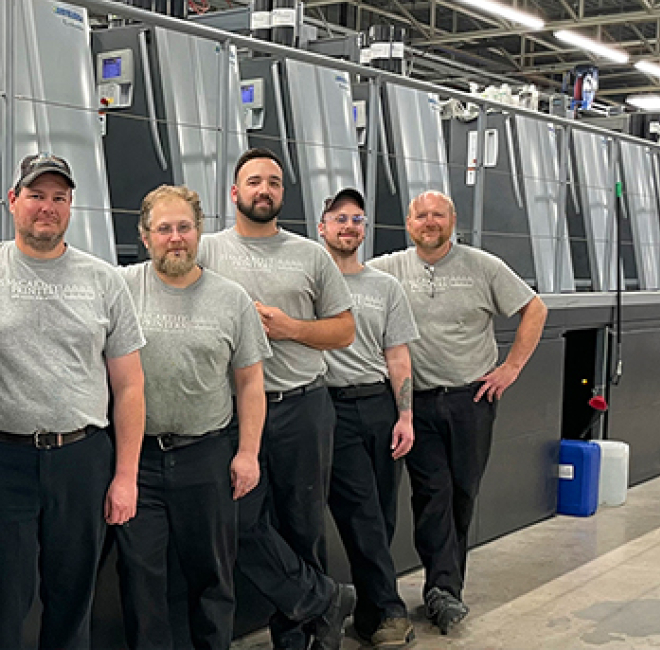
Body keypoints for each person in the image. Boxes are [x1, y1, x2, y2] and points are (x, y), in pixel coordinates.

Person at [0, 153, 146, 650]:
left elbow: (129, 386)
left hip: (81, 459)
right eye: (36, 195)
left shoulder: (105, 280)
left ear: (71, 207)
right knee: (0, 603)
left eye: (59, 198)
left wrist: (125, 476)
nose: (48, 207)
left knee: (72, 599)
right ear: (12, 201)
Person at [368, 190, 548, 634]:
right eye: (421, 215)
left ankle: (445, 583)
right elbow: (343, 278)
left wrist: (511, 368)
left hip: (474, 400)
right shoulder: (388, 268)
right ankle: (442, 591)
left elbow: (534, 308)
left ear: (453, 222)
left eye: (438, 215)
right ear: (408, 224)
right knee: (434, 494)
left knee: (463, 492)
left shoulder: (483, 267)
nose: (429, 222)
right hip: (418, 402)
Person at [198, 147, 357, 650]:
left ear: (282, 193)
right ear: (234, 192)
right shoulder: (206, 251)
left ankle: (300, 638)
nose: (263, 190)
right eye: (253, 182)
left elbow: (345, 331)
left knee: (302, 523)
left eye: (273, 182)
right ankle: (321, 599)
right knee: (238, 523)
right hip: (231, 412)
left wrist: (292, 328)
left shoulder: (310, 255)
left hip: (299, 407)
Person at [115, 185, 270, 650]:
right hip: (137, 459)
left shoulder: (232, 298)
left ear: (199, 232)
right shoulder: (120, 288)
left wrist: (248, 453)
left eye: (185, 227)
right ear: (145, 236)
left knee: (213, 581)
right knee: (141, 583)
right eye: (164, 228)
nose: (175, 238)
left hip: (207, 457)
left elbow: (250, 383)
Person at [317, 188, 418, 649]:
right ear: (322, 227)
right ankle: (391, 612)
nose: (349, 227)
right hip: (329, 406)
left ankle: (370, 614)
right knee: (361, 511)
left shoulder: (385, 287)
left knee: (380, 513)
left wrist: (405, 414)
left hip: (378, 404)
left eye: (357, 219)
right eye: (340, 218)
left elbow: (397, 356)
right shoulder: (311, 281)